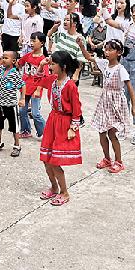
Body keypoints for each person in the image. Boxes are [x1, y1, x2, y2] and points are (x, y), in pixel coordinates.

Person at [79, 39, 135, 173]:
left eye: (110, 50)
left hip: (116, 103)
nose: (107, 52)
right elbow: (88, 57)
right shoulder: (104, 64)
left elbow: (130, 88)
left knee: (112, 133)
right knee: (101, 132)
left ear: (119, 53)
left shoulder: (120, 69)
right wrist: (81, 46)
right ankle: (107, 159)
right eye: (106, 49)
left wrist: (134, 105)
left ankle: (119, 161)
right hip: (104, 102)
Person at [103, 1, 135, 145]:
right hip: (125, 63)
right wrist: (103, 7)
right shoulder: (127, 25)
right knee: (122, 96)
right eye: (132, 11)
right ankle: (123, 127)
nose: (133, 14)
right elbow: (110, 22)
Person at [39, 51, 83, 206]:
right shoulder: (52, 80)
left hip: (63, 124)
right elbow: (37, 80)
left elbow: (77, 109)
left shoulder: (70, 85)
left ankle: (64, 192)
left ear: (63, 66)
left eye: (53, 64)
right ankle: (54, 186)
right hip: (52, 121)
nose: (50, 66)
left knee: (55, 161)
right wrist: (41, 66)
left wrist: (73, 128)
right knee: (46, 158)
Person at [0, 50, 26, 157]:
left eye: (6, 58)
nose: (3, 60)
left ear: (13, 61)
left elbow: (22, 85)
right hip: (0, 104)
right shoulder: (0, 69)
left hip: (11, 105)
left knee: (15, 127)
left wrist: (22, 98)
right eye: (3, 57)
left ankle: (17, 145)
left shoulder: (15, 74)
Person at [18, 32, 49, 140]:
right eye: (30, 41)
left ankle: (45, 133)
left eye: (34, 41)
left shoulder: (43, 60)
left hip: (35, 89)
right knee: (22, 111)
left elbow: (44, 77)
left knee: (35, 113)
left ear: (42, 43)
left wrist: (38, 90)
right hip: (25, 88)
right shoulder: (28, 56)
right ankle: (25, 130)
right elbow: (19, 64)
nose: (31, 43)